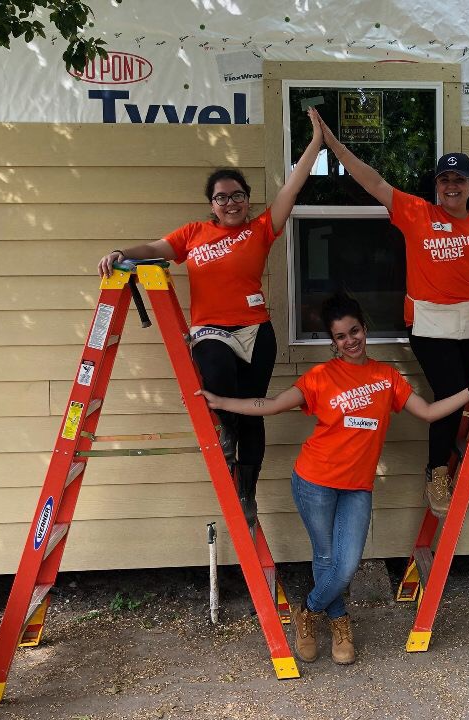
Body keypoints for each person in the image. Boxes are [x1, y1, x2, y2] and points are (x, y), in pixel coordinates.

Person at [197, 292, 469, 665]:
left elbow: (430, 412)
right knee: (325, 556)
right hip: (314, 481)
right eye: (340, 336)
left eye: (354, 331)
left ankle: (308, 611)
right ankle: (338, 621)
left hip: (357, 488)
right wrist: (222, 403)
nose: (350, 341)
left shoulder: (386, 377)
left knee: (347, 564)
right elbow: (269, 405)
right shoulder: (321, 377)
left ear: (364, 329)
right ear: (333, 342)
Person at [315, 110, 469, 517]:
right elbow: (372, 181)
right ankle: (437, 472)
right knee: (450, 395)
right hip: (430, 325)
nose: (451, 186)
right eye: (445, 179)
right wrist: (333, 145)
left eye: (458, 179)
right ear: (436, 186)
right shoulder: (416, 212)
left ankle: (453, 460)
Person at [98, 111, 324, 530]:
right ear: (212, 205)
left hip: (256, 332)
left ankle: (247, 490)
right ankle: (228, 430)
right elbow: (155, 248)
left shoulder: (261, 228)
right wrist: (121, 252)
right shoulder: (193, 234)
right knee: (216, 370)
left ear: (247, 199)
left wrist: (315, 142)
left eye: (237, 195)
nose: (231, 202)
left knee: (254, 411)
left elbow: (293, 186)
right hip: (212, 330)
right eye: (222, 197)